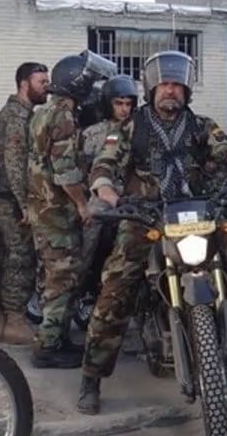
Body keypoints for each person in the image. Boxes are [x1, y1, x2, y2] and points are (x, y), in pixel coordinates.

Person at [78, 50, 227, 415]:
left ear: (186, 89)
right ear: (151, 87)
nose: (170, 91)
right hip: (147, 216)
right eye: (164, 83)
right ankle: (92, 376)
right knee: (116, 285)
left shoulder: (201, 125)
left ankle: (225, 325)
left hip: (197, 212)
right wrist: (105, 189)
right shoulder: (130, 127)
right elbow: (106, 162)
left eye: (177, 84)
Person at [27, 52, 115, 368]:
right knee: (62, 279)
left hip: (43, 209)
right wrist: (82, 205)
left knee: (51, 276)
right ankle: (48, 347)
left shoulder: (42, 112)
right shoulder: (62, 116)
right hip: (57, 213)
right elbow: (65, 172)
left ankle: (56, 338)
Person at [75, 75, 139, 328]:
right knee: (88, 235)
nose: (124, 109)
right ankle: (82, 292)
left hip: (133, 196)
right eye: (119, 103)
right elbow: (83, 169)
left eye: (128, 103)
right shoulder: (93, 133)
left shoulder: (140, 128)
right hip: (102, 195)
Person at [0, 61, 48, 344]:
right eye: (41, 82)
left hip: (13, 199)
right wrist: (24, 204)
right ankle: (13, 321)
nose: (46, 87)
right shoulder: (15, 118)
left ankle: (10, 320)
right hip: (10, 202)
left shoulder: (25, 115)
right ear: (24, 84)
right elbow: (14, 165)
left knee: (15, 258)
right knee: (18, 259)